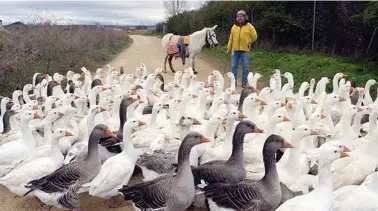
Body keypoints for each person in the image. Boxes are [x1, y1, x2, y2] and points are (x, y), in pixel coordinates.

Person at [227, 10, 258, 87]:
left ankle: (244, 83)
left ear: (245, 17)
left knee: (245, 67)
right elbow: (231, 38)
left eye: (241, 16)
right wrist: (229, 49)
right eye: (238, 16)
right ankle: (233, 83)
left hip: (245, 50)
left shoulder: (249, 26)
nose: (239, 18)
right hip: (235, 50)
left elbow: (254, 36)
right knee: (234, 66)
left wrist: (249, 42)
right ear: (236, 18)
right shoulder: (234, 27)